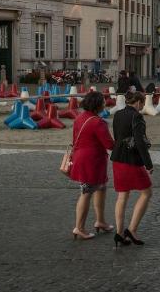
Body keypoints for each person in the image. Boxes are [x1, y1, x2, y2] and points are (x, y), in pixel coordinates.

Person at [69, 91, 115, 240]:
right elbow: (109, 144)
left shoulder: (79, 118)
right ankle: (79, 227)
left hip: (82, 158)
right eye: (102, 101)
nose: (104, 103)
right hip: (92, 162)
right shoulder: (98, 122)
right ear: (97, 104)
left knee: (100, 188)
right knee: (86, 193)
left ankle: (100, 221)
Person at [111, 90, 153, 247]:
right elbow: (140, 142)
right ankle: (132, 229)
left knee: (122, 196)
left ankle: (119, 233)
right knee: (147, 192)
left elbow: (116, 136)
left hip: (117, 159)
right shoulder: (137, 116)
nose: (142, 107)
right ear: (139, 102)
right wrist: (148, 164)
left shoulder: (118, 114)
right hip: (131, 160)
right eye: (142, 104)